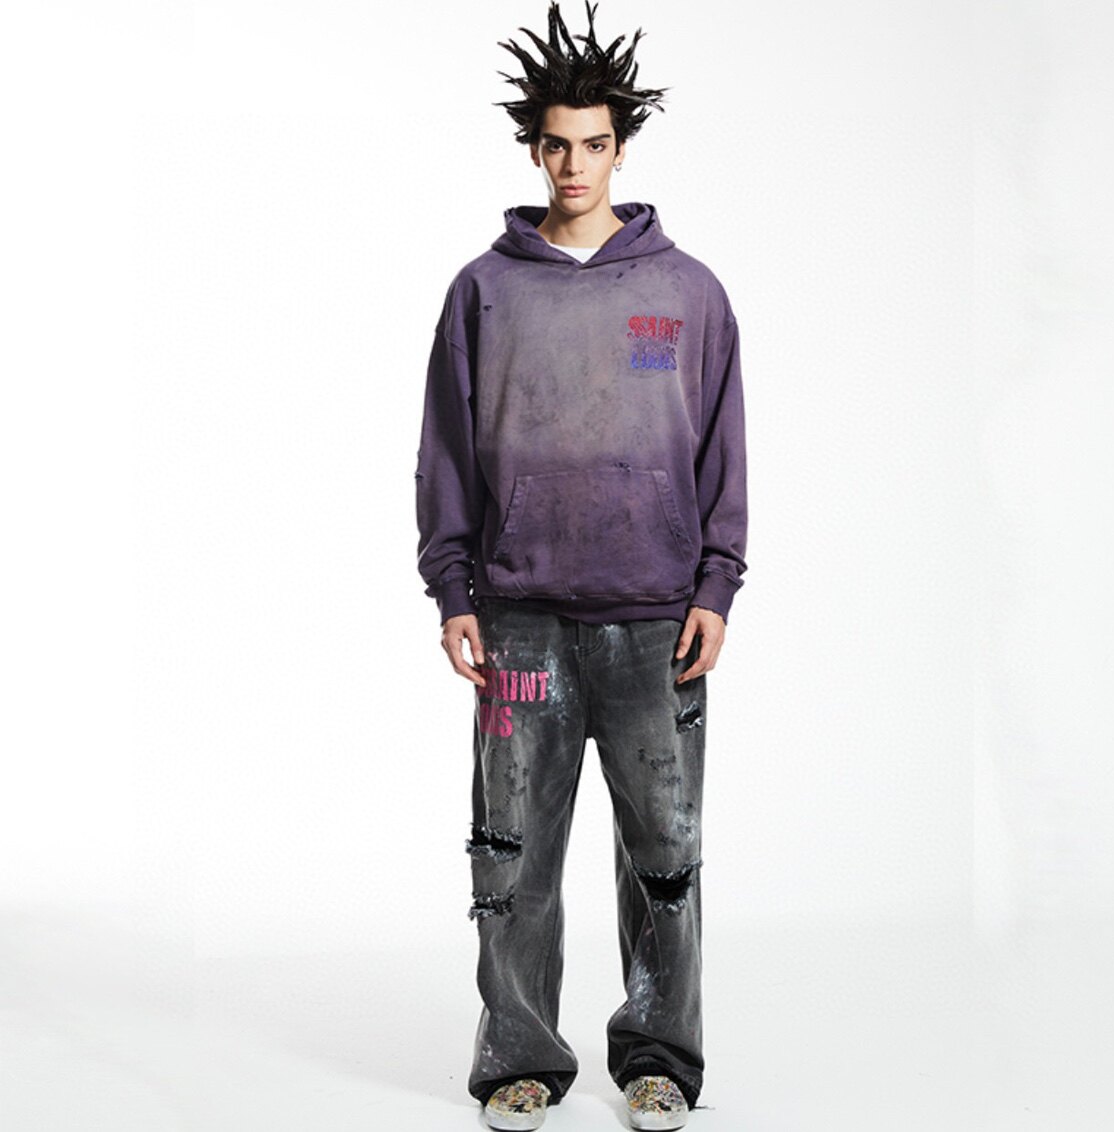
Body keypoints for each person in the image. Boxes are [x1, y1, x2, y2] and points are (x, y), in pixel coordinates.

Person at [414, 3, 747, 1128]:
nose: (573, 165)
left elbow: (722, 446)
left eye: (593, 144)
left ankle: (660, 1059)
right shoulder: (484, 290)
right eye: (556, 145)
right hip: (517, 620)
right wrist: (453, 589)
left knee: (666, 858)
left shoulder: (687, 293)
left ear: (621, 147)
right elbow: (445, 448)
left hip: (659, 621)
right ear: (533, 149)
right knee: (510, 854)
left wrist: (716, 585)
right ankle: (519, 1055)